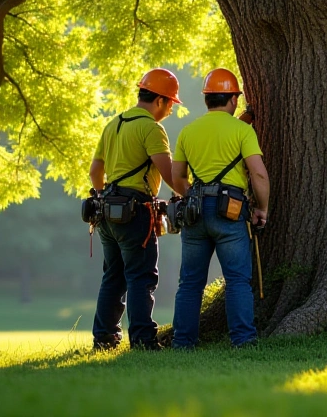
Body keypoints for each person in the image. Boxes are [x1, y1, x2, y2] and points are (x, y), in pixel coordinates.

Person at [169, 68, 270, 349]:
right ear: (233, 100)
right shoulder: (242, 130)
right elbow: (259, 175)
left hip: (195, 212)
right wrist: (262, 208)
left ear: (207, 100)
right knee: (238, 279)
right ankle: (243, 340)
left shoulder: (189, 132)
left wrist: (196, 196)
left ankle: (183, 342)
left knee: (189, 283)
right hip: (231, 211)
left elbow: (178, 178)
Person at [90, 68, 181, 351]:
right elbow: (168, 172)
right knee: (141, 276)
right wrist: (186, 193)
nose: (169, 111)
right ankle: (142, 340)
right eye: (170, 105)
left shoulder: (114, 123)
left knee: (113, 276)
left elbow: (95, 171)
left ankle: (104, 337)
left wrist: (106, 193)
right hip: (136, 211)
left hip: (107, 211)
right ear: (161, 101)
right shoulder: (152, 128)